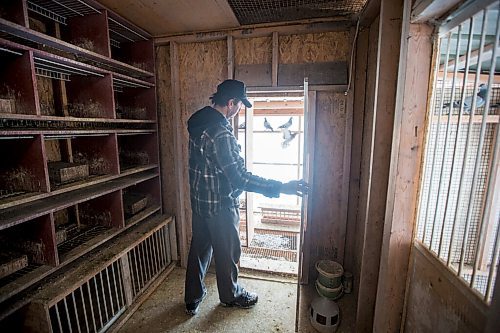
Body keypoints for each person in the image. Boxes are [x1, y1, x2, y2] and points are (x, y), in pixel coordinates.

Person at [184, 79, 309, 315]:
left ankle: (192, 297)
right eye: (240, 105)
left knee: (199, 250)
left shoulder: (199, 122)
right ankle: (230, 296)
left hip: (199, 201)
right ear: (231, 103)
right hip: (220, 205)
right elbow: (240, 178)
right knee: (228, 253)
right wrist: (282, 187)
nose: (240, 109)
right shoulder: (221, 134)